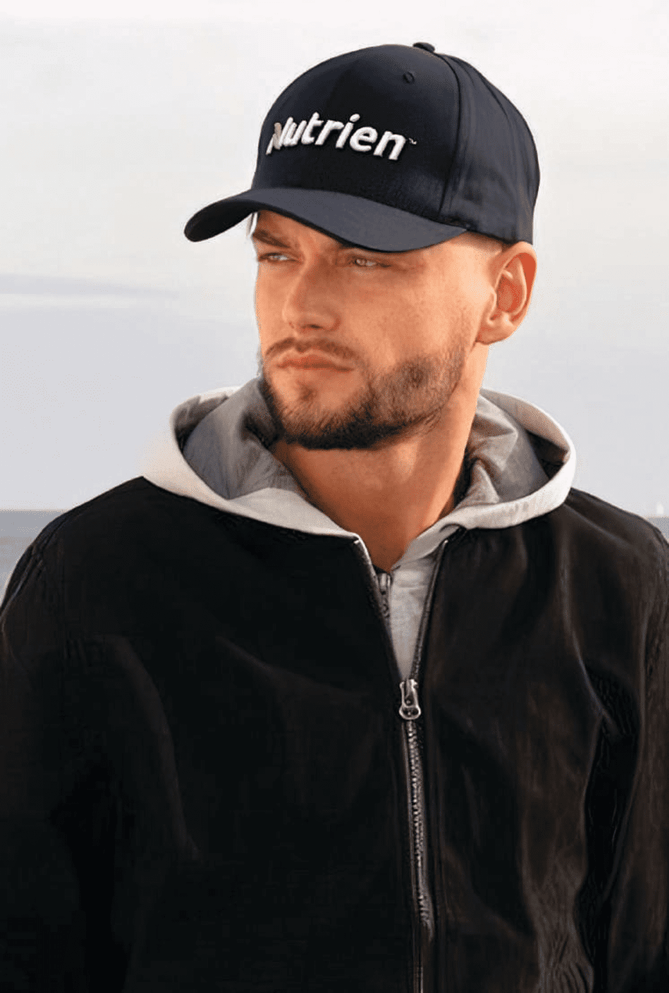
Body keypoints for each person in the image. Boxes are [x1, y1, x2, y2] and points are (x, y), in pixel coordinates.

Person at [1, 41, 667, 993]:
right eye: (276, 251)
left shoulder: (621, 587)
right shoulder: (97, 582)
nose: (300, 303)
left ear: (505, 294)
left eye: (364, 258)